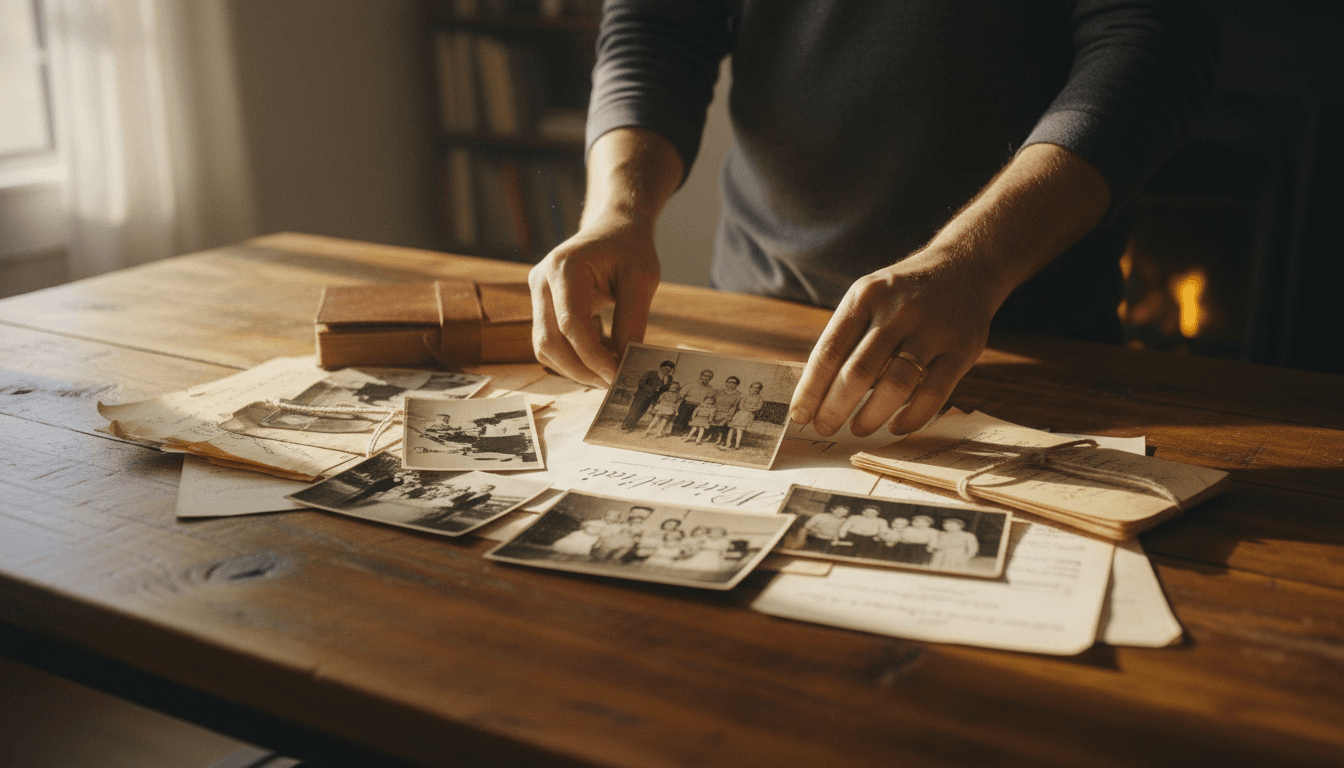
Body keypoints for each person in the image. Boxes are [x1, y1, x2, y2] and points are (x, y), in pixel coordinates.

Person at [528, 2, 1218, 438]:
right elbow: (657, 28)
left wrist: (972, 265)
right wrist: (616, 212)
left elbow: (1150, 43)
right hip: (760, 316)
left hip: (1024, 346)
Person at [622, 360, 675, 431]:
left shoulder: (669, 378)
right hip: (642, 395)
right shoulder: (650, 373)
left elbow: (666, 389)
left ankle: (632, 425)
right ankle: (625, 425)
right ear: (661, 367)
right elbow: (641, 383)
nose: (667, 371)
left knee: (642, 411)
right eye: (666, 369)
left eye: (669, 370)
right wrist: (652, 389)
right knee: (634, 410)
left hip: (653, 398)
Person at [672, 369, 715, 436]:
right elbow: (680, 395)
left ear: (711, 378)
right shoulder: (691, 384)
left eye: (709, 376)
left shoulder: (710, 389)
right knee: (680, 419)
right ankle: (675, 433)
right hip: (687, 404)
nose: (706, 378)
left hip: (699, 407)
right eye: (705, 375)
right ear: (701, 376)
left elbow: (710, 400)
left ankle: (687, 434)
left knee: (693, 422)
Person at [726, 381, 764, 450]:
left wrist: (749, 409)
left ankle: (737, 444)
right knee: (732, 428)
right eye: (753, 388)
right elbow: (741, 406)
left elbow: (758, 407)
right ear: (750, 388)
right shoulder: (745, 396)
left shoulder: (760, 399)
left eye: (758, 388)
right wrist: (749, 408)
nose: (755, 389)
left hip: (748, 415)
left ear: (760, 390)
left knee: (740, 429)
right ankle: (728, 442)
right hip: (740, 413)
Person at [708, 376, 742, 447]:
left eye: (734, 383)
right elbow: (712, 401)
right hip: (715, 410)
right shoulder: (719, 392)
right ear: (726, 383)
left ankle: (722, 440)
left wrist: (729, 414)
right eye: (729, 382)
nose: (731, 384)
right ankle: (711, 437)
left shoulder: (739, 395)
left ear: (737, 385)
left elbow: (735, 406)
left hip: (727, 413)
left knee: (725, 424)